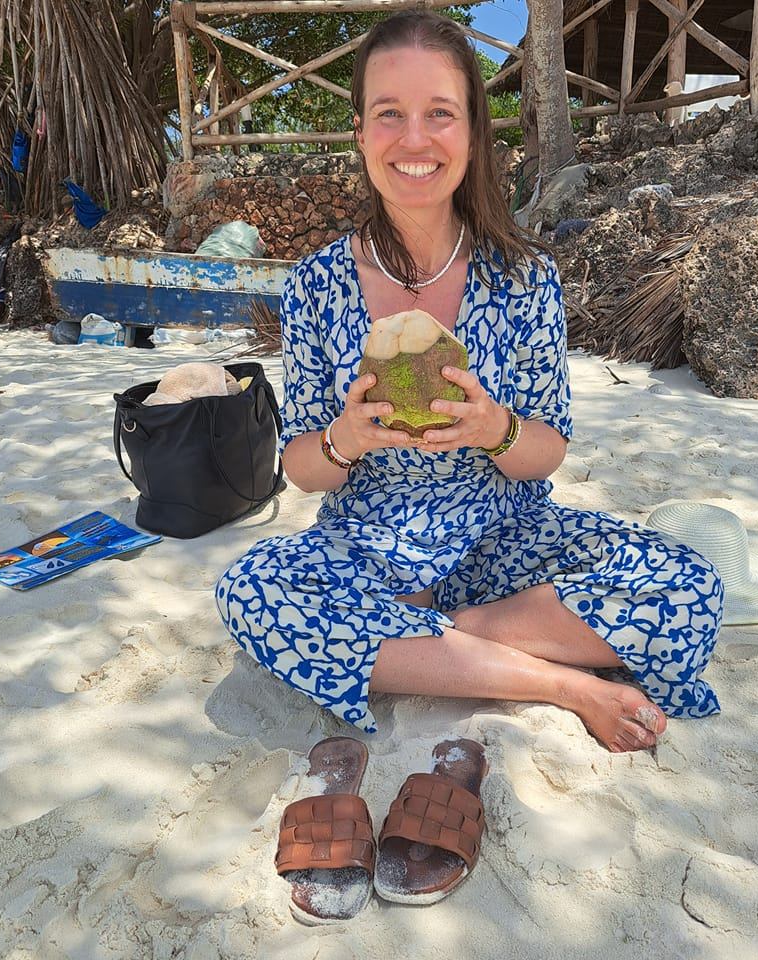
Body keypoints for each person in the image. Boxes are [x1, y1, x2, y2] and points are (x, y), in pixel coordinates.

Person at [216, 11, 724, 754]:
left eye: (440, 114)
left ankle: (421, 643)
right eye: (389, 114)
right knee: (250, 591)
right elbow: (301, 469)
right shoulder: (315, 285)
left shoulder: (523, 277)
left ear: (475, 133)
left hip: (504, 537)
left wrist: (495, 428)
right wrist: (345, 438)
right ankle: (562, 682)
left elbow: (546, 453)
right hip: (370, 545)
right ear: (360, 132)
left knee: (689, 586)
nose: (413, 139)